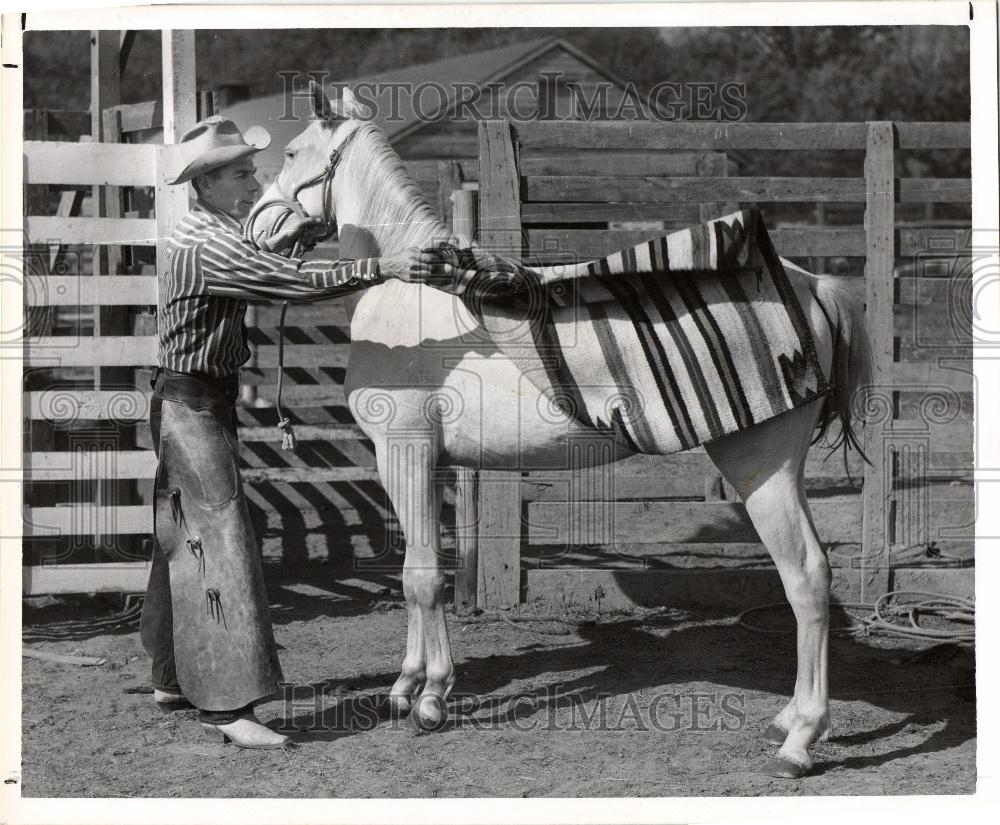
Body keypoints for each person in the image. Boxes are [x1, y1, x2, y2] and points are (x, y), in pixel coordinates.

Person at [140, 116, 443, 749]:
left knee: (181, 537)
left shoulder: (211, 231)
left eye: (251, 172)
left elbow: (267, 257)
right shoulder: (207, 243)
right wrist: (385, 266)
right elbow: (292, 285)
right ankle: (227, 708)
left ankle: (171, 675)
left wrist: (302, 229)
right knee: (220, 540)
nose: (254, 183)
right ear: (208, 183)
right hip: (193, 403)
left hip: (189, 396)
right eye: (241, 174)